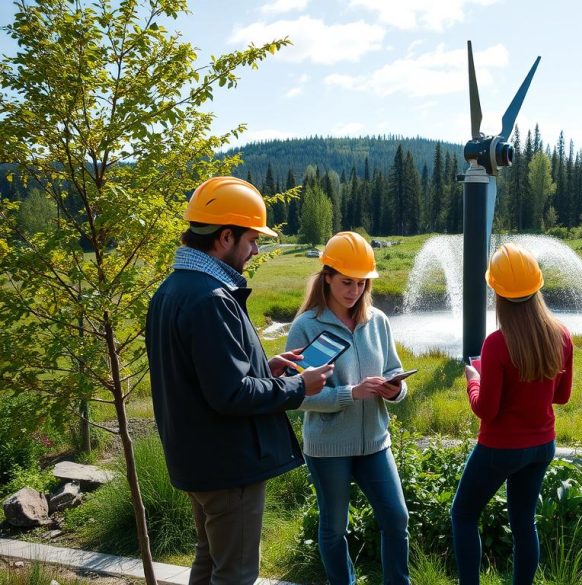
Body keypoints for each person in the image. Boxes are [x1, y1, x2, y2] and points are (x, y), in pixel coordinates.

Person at [146, 176, 334, 585]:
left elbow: (202, 376)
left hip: (197, 458)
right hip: (228, 466)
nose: (254, 251)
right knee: (236, 573)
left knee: (209, 561)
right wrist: (301, 386)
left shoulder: (172, 291)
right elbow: (230, 394)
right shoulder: (211, 299)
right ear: (225, 236)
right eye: (251, 241)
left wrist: (265, 368)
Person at [286, 231, 410, 585]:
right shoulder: (306, 327)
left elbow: (393, 373)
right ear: (326, 277)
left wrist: (394, 390)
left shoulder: (379, 321)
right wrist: (350, 394)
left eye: (360, 283)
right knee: (334, 527)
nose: (354, 291)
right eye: (346, 282)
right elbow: (298, 395)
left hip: (375, 442)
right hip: (328, 449)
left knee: (396, 518)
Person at [451, 243, 574, 585]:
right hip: (541, 447)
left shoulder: (495, 344)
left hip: (499, 449)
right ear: (538, 287)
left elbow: (486, 411)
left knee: (463, 514)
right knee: (524, 522)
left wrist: (473, 382)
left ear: (497, 293)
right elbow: (561, 397)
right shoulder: (561, 336)